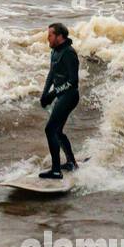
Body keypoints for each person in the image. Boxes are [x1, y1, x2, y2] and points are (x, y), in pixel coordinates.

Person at [38, 22, 80, 180]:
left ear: (59, 36)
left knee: (50, 130)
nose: (47, 38)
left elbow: (73, 81)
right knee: (57, 131)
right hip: (62, 95)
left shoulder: (69, 53)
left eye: (50, 35)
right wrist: (45, 94)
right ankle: (71, 163)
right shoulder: (54, 52)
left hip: (70, 96)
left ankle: (56, 170)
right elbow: (51, 73)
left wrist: (54, 93)